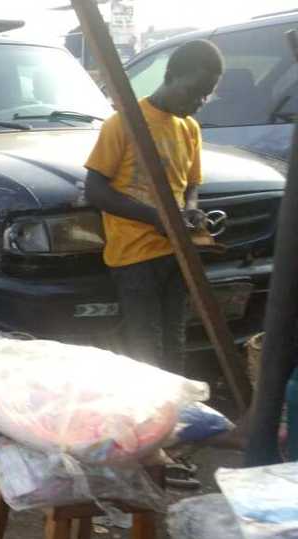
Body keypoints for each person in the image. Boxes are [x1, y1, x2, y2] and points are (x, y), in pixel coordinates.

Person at [84, 39, 224, 376]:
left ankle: (173, 410)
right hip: (133, 256)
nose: (199, 101)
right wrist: (156, 217)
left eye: (207, 94)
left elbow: (191, 185)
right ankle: (146, 415)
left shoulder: (189, 128)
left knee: (175, 341)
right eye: (194, 91)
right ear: (171, 76)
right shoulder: (123, 124)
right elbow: (95, 190)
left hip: (175, 250)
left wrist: (190, 210)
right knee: (146, 345)